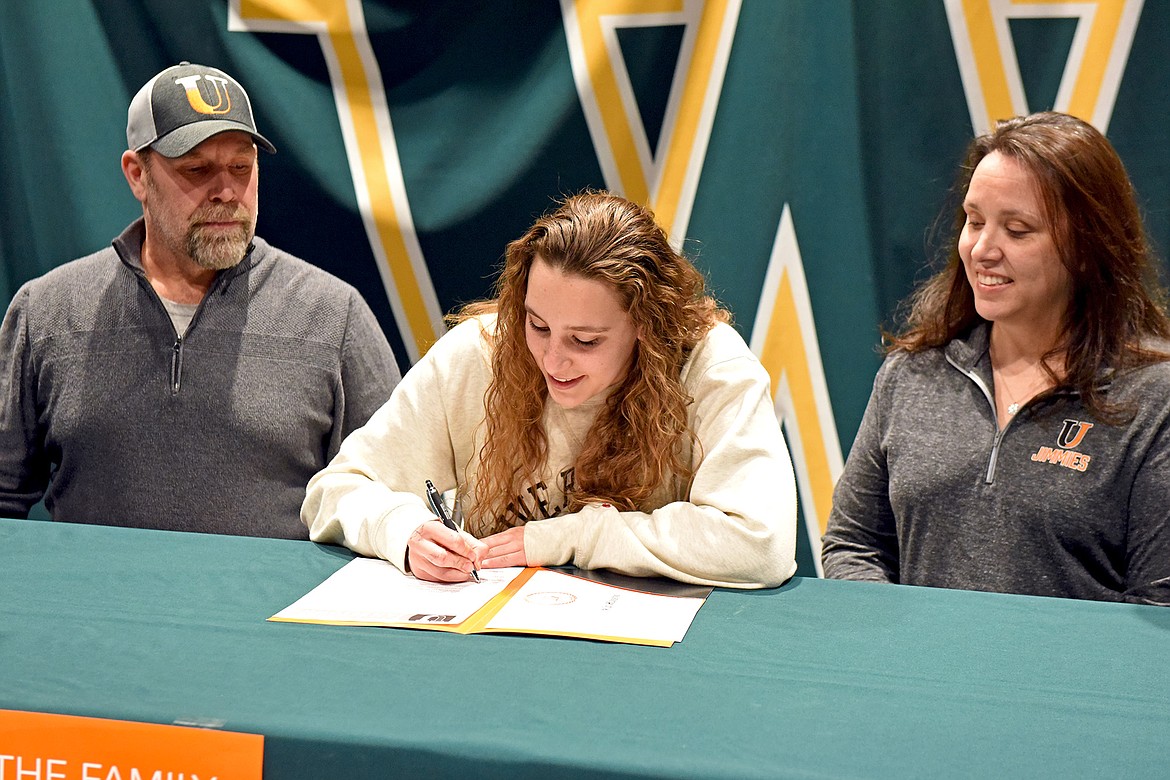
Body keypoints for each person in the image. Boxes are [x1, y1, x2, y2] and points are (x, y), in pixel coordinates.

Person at [302, 191, 797, 588]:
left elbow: (761, 543)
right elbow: (336, 489)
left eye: (585, 340)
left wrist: (573, 536)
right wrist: (403, 531)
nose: (553, 361)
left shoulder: (711, 368)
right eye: (538, 326)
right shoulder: (483, 351)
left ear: (647, 325)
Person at [0, 62, 400, 538]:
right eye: (197, 169)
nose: (226, 192)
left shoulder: (334, 316)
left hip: (272, 612)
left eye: (241, 168)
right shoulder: (46, 312)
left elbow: (391, 497)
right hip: (99, 612)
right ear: (137, 175)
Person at [821, 111, 1170, 605]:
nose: (982, 249)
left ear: (1089, 247)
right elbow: (854, 544)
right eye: (975, 221)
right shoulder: (912, 374)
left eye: (1018, 230)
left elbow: (1160, 603)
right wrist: (894, 641)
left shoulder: (1155, 397)